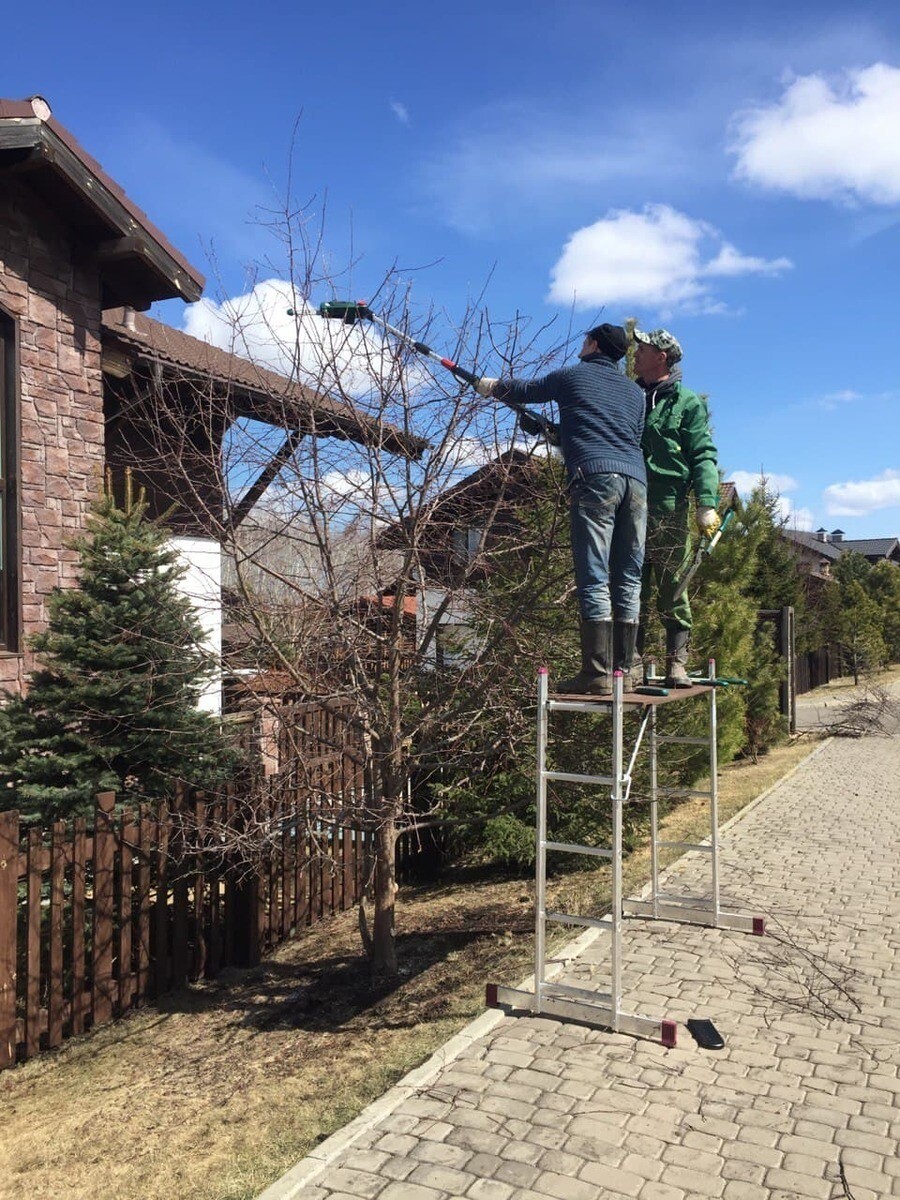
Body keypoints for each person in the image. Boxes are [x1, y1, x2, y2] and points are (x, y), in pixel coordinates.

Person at [477, 324, 647, 695]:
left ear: (594, 345)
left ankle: (597, 673)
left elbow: (527, 390)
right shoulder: (635, 393)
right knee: (628, 576)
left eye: (584, 340)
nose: (580, 346)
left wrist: (491, 386)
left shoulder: (572, 375)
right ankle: (625, 671)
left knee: (594, 573)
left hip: (594, 478)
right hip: (635, 482)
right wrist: (552, 431)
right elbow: (617, 435)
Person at [632, 328, 720, 687]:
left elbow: (703, 455)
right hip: (629, 501)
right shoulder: (629, 397)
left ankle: (676, 663)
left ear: (661, 357)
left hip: (669, 506)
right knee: (629, 586)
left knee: (673, 585)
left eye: (643, 348)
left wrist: (707, 504)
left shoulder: (686, 403)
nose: (635, 353)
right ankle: (631, 663)